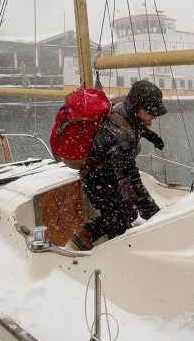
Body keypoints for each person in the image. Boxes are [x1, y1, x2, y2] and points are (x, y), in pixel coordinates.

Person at [66, 80, 167, 251]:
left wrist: (151, 136)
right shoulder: (119, 139)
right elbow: (130, 180)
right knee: (117, 219)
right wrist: (154, 214)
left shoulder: (124, 110)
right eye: (150, 112)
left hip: (107, 174)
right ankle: (83, 240)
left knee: (128, 211)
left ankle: (113, 236)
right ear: (136, 107)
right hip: (98, 181)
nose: (154, 116)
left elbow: (133, 125)